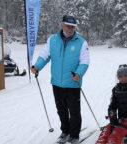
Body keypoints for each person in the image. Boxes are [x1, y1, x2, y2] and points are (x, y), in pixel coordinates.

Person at [31, 15, 89, 144]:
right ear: (62, 25)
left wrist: (79, 74)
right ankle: (65, 131)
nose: (70, 29)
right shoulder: (53, 40)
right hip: (57, 82)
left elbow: (84, 62)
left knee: (74, 111)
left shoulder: (81, 42)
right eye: (68, 26)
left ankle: (74, 135)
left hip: (73, 83)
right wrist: (37, 66)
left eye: (72, 27)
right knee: (61, 110)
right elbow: (44, 56)